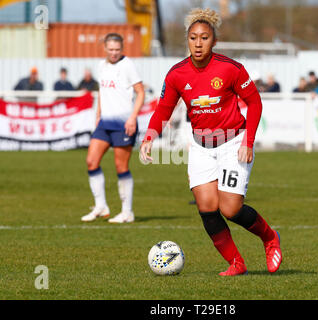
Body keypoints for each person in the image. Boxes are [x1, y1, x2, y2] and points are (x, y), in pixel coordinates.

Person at [140, 8, 282, 276]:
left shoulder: (231, 69)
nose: (198, 43)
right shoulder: (176, 74)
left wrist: (248, 142)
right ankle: (236, 264)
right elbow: (163, 110)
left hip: (233, 142)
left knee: (230, 208)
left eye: (204, 38)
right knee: (207, 207)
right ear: (187, 40)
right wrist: (149, 136)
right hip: (201, 147)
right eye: (193, 38)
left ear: (213, 40)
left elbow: (254, 102)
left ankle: (270, 238)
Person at [81, 33, 145, 224]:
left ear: (122, 49)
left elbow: (140, 92)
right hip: (104, 123)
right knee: (91, 161)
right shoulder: (101, 65)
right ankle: (101, 206)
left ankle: (127, 212)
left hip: (124, 124)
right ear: (105, 48)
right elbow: (102, 91)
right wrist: (98, 113)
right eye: (111, 49)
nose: (114, 53)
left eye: (117, 49)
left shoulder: (128, 66)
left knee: (121, 167)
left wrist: (133, 118)